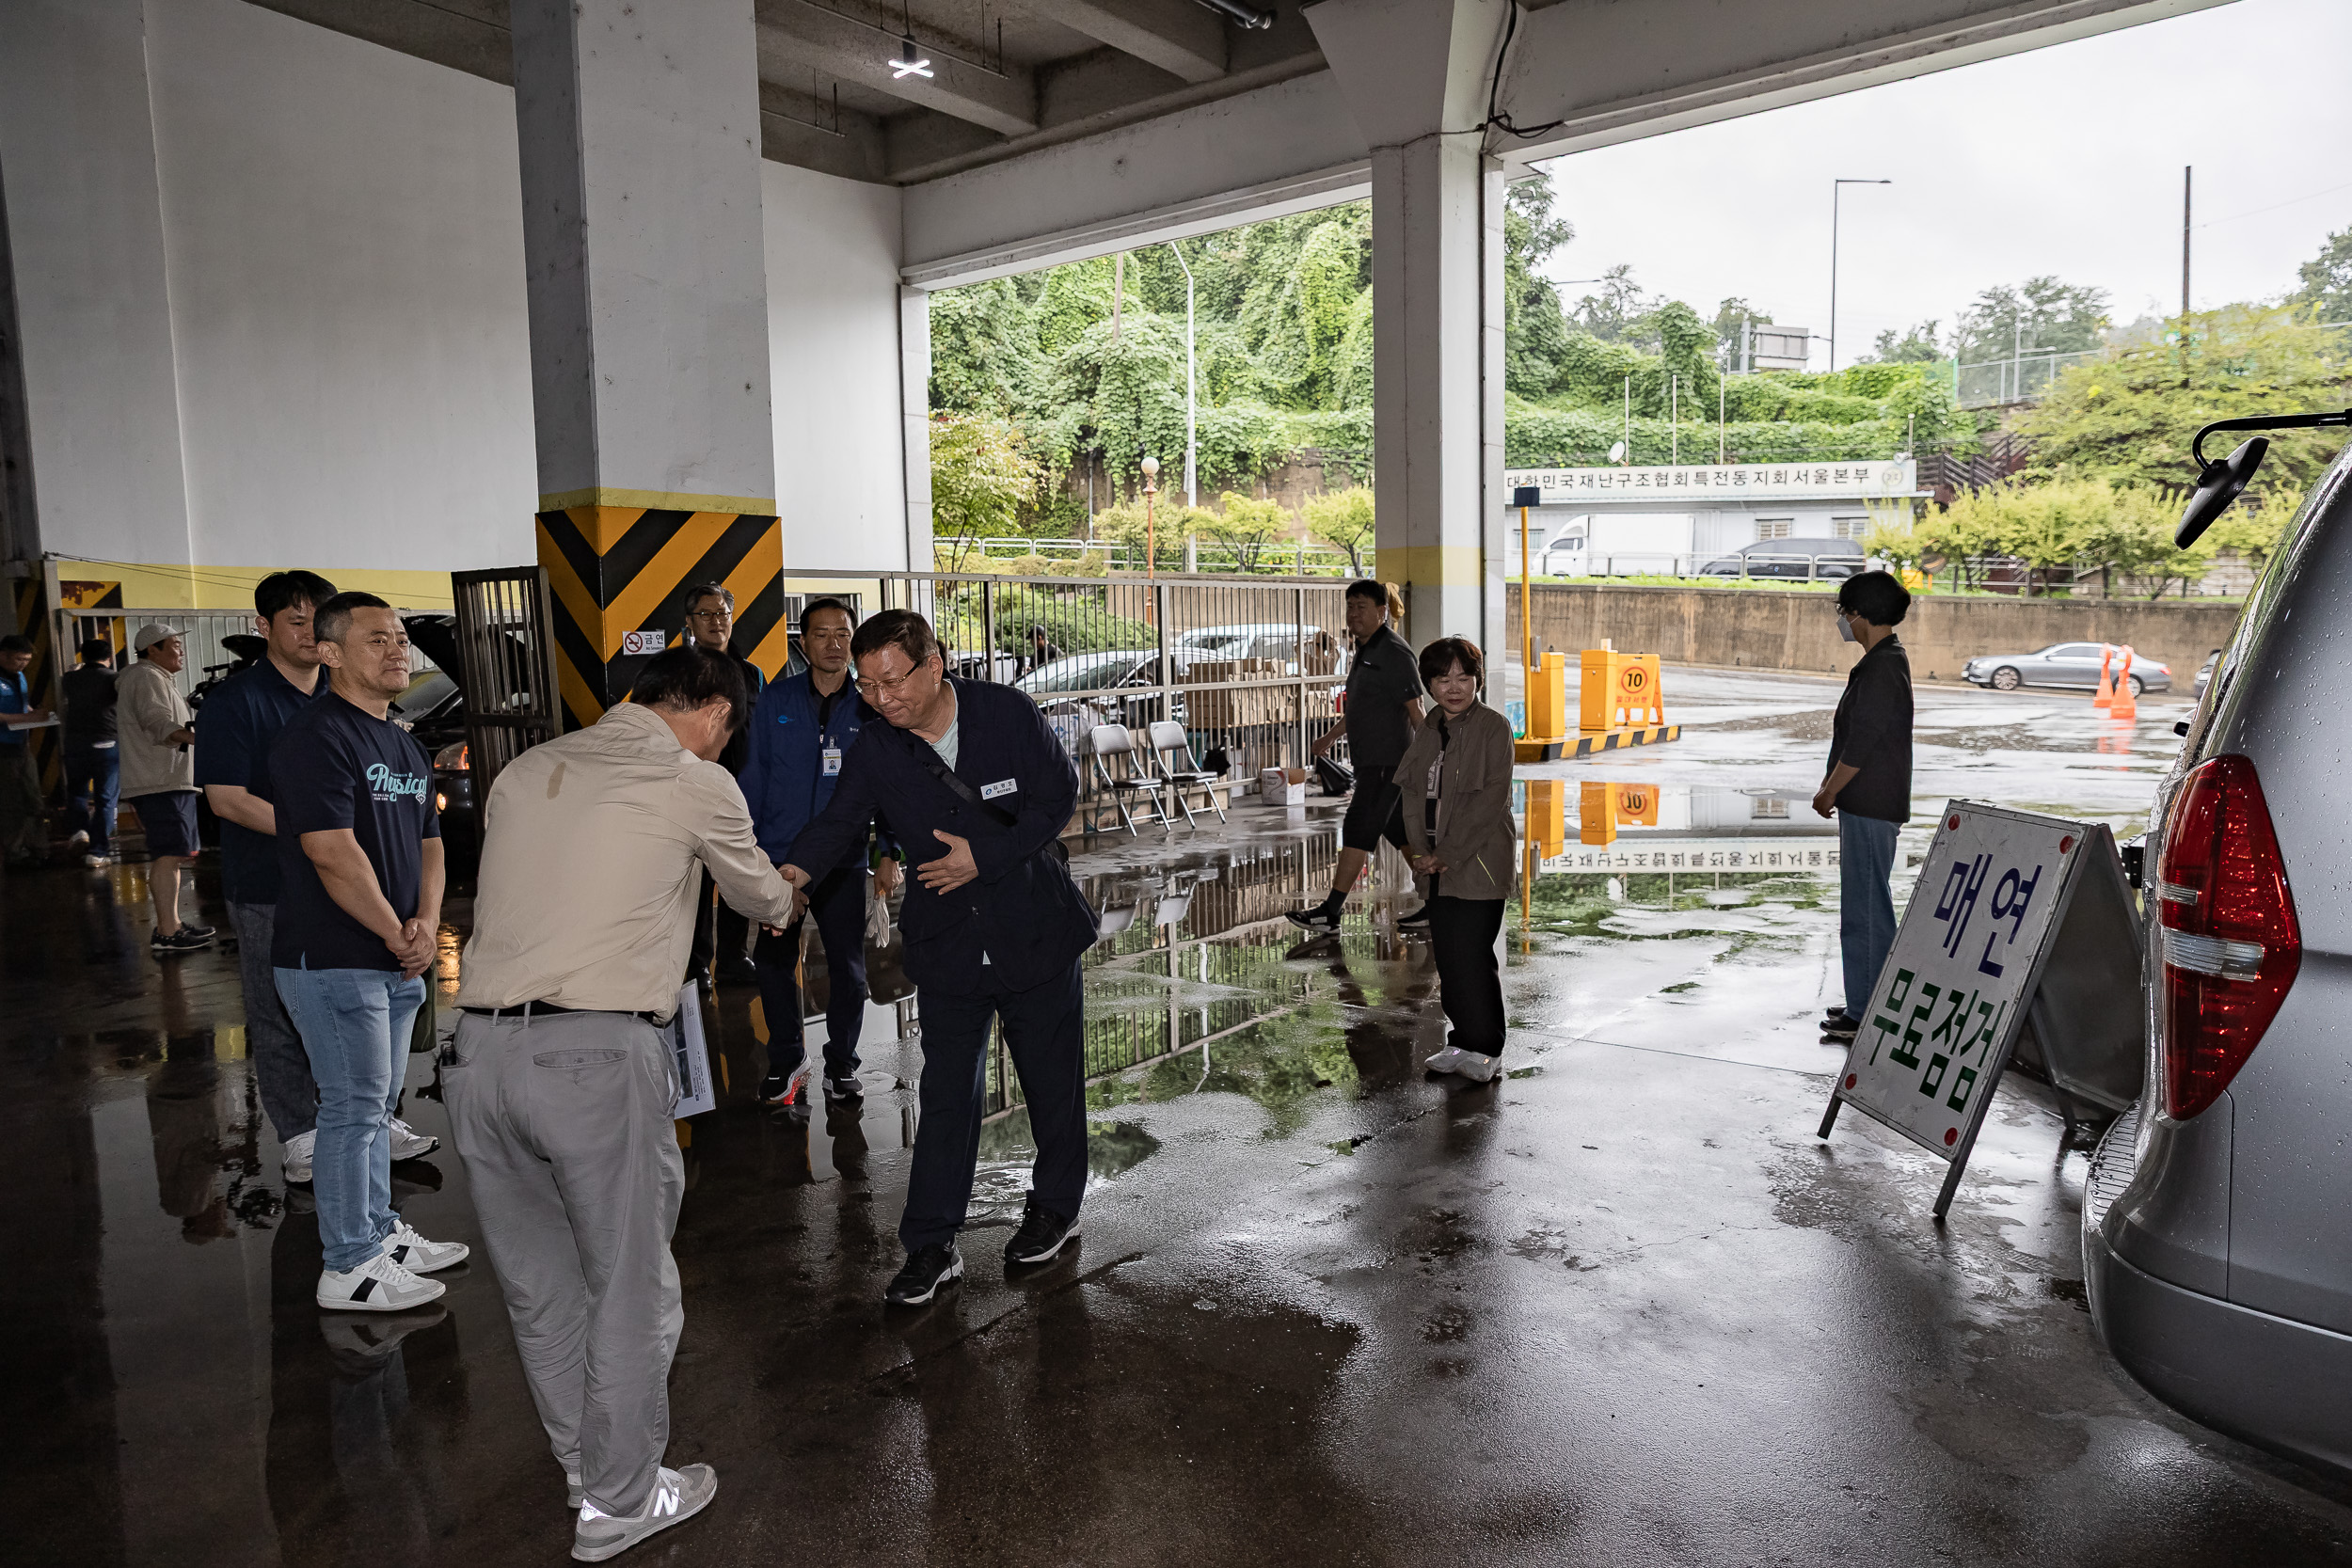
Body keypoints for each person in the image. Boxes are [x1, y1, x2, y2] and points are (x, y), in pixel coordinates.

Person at [445, 643, 793, 1561]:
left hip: (480, 1053)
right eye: (728, 731)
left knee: (540, 1287)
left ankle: (588, 1472)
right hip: (594, 1057)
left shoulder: (525, 769)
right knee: (631, 1287)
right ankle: (622, 1499)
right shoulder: (693, 780)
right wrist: (786, 898)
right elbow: (758, 893)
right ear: (715, 713)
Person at [779, 609, 1099, 1307]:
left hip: (1034, 929)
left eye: (892, 681)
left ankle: (1056, 1208)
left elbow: (1057, 797)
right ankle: (930, 1243)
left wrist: (984, 856)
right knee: (948, 1094)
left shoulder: (1005, 714)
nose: (880, 698)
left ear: (934, 664)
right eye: (866, 685)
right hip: (948, 943)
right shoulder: (876, 746)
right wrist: (792, 875)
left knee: (1052, 1083)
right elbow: (840, 821)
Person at [200, 572, 439, 1182]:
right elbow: (226, 798)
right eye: (296, 621)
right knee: (277, 1012)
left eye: (318, 620)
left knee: (364, 1018)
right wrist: (322, 828)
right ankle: (301, 1132)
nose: (309, 632)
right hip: (269, 884)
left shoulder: (353, 701)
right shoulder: (239, 701)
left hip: (354, 886)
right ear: (264, 627)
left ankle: (370, 1122)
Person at [266, 593, 466, 1313]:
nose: (397, 649)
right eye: (377, 638)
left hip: (396, 955)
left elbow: (430, 845)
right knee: (351, 1109)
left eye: (400, 637)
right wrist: (394, 930)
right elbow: (331, 851)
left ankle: (380, 1234)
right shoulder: (315, 737)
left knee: (376, 1107)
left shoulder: (402, 741)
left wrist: (426, 924)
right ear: (329, 652)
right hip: (334, 957)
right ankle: (349, 1264)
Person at [738, 596, 901, 1105]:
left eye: (843, 634)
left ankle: (842, 1063)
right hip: (779, 858)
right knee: (773, 961)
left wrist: (888, 853)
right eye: (821, 634)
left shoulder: (870, 707)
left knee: (848, 969)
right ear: (803, 643)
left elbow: (887, 786)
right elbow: (753, 777)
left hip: (842, 859)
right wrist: (749, 851)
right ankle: (788, 1058)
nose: (833, 644)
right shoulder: (776, 700)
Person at [1397, 637, 1519, 1084]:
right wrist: (1419, 852)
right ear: (1428, 684)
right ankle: (1462, 1040)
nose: (1454, 687)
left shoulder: (1493, 727)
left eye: (1464, 677)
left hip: (1478, 862)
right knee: (1448, 957)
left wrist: (1445, 855)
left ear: (1477, 681)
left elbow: (1490, 801)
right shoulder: (1430, 726)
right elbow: (1413, 793)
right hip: (1435, 865)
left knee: (1473, 956)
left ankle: (1486, 1048)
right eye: (1443, 678)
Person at [1289, 579, 1426, 933]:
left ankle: (1330, 912)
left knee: (1358, 827)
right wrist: (1328, 738)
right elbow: (1361, 708)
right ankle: (1439, 900)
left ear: (1382, 612)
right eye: (1350, 607)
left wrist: (1430, 758)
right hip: (1370, 761)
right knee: (1400, 831)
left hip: (1388, 762)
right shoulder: (1364, 649)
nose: (1353, 614)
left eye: (1361, 607)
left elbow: (1416, 709)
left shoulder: (1394, 653)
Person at [1814, 570, 1915, 1047]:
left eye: (1845, 612)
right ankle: (1864, 1000)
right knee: (1863, 905)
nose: (1842, 620)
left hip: (1870, 801)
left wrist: (1829, 791)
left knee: (1866, 909)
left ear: (1861, 614)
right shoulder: (1883, 660)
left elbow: (1863, 741)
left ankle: (1868, 1012)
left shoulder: (1883, 666)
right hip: (1869, 802)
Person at [683, 581, 767, 985]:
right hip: (694, 792)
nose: (716, 621)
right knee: (695, 883)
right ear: (689, 622)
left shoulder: (752, 674)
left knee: (737, 876)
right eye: (706, 614)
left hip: (742, 794)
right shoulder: (679, 674)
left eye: (722, 613)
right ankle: (696, 964)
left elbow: (762, 734)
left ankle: (735, 958)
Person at [118, 624, 215, 953]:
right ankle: (166, 931)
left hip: (166, 780)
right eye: (174, 644)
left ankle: (170, 925)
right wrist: (198, 738)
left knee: (172, 855)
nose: (181, 650)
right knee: (168, 854)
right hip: (159, 781)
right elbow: (156, 721)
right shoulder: (146, 677)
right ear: (152, 649)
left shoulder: (154, 677)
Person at [60, 639, 120, 868]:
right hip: (106, 743)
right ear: (110, 657)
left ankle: (80, 832)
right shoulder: (114, 679)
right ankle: (97, 853)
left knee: (77, 792)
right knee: (105, 799)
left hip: (75, 744)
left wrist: (77, 668)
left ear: (83, 656)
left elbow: (72, 674)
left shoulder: (70, 679)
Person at [0, 633, 53, 865]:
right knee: (11, 804)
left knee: (34, 799)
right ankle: (15, 854)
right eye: (19, 659)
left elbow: (22, 705)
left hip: (21, 746)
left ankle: (40, 849)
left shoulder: (19, 677)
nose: (23, 665)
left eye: (27, 660)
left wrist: (35, 714)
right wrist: (25, 718)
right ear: (3, 655)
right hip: (3, 750)